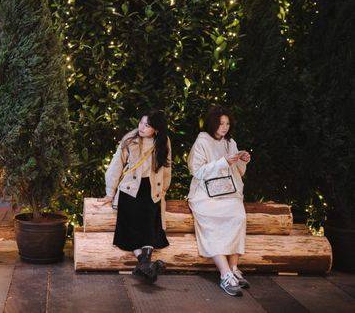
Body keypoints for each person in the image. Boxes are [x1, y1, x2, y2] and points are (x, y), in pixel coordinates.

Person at [98, 110, 172, 283]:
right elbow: (116, 165)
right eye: (141, 123)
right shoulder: (130, 139)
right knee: (131, 226)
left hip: (152, 189)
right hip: (130, 189)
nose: (142, 127)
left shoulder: (163, 142)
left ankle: (144, 266)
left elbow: (167, 168)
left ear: (156, 129)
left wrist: (163, 191)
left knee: (149, 226)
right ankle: (147, 265)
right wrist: (110, 192)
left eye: (147, 125)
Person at [187, 105, 251, 297]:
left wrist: (242, 159)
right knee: (212, 221)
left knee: (238, 216)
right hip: (205, 194)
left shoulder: (230, 142)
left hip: (228, 192)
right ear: (212, 123)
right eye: (221, 123)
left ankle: (234, 268)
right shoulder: (202, 141)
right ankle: (225, 274)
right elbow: (197, 171)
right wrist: (223, 162)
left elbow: (239, 172)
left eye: (227, 124)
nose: (224, 127)